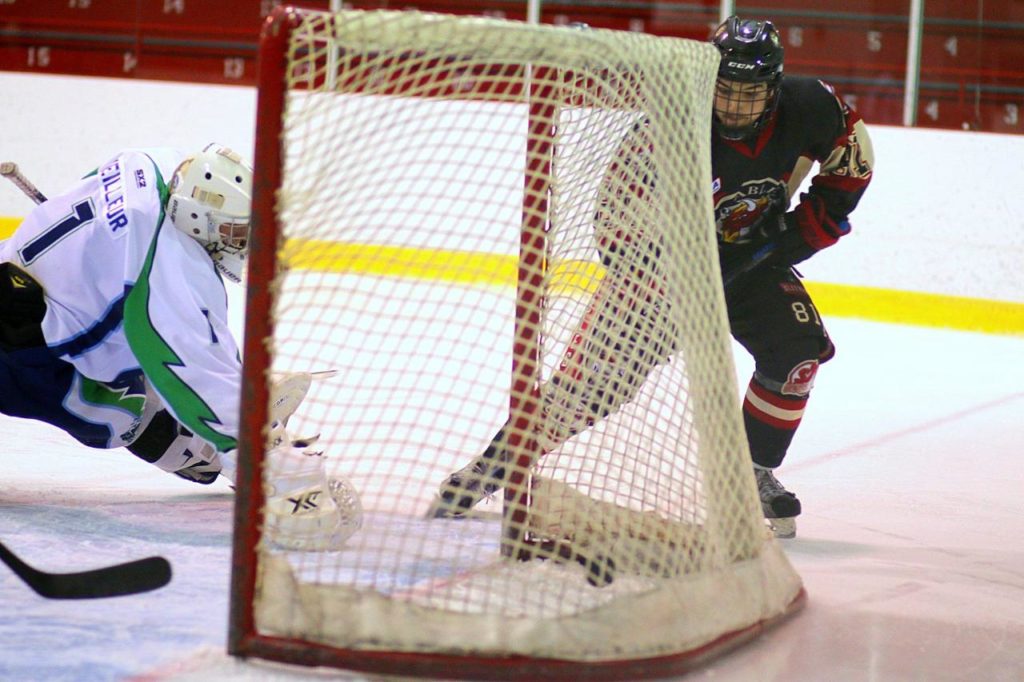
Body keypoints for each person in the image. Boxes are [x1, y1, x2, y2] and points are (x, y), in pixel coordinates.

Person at [428, 16, 874, 539]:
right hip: (663, 275)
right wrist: (662, 281)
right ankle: (492, 465)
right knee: (593, 387)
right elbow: (613, 221)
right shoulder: (669, 126)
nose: (733, 106)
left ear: (773, 90)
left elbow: (853, 161)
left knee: (796, 351)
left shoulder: (812, 106)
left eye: (749, 94)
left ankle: (751, 472)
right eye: (724, 91)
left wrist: (799, 233)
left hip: (750, 261)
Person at [0, 144, 360, 549]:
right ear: (195, 214)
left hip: (23, 296)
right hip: (24, 355)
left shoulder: (136, 167)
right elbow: (190, 367)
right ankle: (200, 452)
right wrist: (260, 454)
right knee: (121, 414)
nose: (241, 245)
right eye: (233, 233)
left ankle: (222, 416)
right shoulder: (169, 265)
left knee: (129, 348)